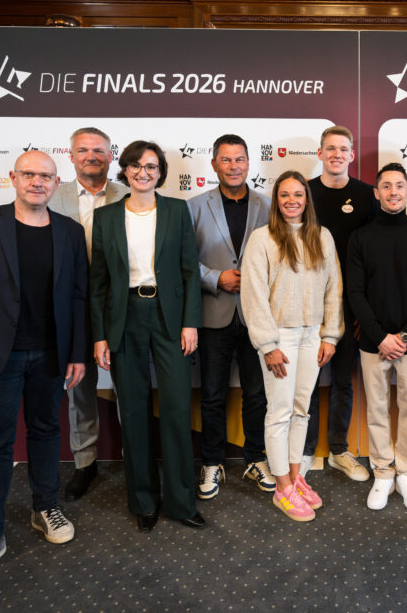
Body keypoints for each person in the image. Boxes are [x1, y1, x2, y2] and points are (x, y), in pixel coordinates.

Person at [0, 150, 86, 594]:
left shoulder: (70, 231)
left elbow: (78, 298)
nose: (37, 182)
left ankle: (45, 507)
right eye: (29, 174)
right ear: (13, 177)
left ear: (56, 182)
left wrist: (77, 353)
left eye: (46, 176)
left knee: (46, 432)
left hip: (51, 356)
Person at [89, 140, 205, 533]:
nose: (144, 172)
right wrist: (100, 336)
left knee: (175, 409)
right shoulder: (106, 217)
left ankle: (180, 502)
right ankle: (143, 501)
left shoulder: (176, 210)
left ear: (160, 173)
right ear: (124, 170)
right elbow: (99, 283)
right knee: (134, 412)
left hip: (170, 317)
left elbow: (190, 271)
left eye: (151, 166)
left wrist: (190, 323)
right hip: (124, 317)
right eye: (136, 165)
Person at [241, 171, 343, 522]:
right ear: (276, 200)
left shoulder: (322, 236)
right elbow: (253, 296)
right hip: (279, 337)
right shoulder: (262, 238)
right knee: (280, 412)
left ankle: (297, 478)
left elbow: (334, 289)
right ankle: (282, 486)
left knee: (302, 410)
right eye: (284, 195)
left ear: (306, 199)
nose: (291, 201)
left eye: (298, 194)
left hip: (312, 335)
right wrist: (267, 345)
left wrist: (330, 336)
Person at [347, 162, 407, 511]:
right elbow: (355, 293)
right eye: (386, 186)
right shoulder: (360, 238)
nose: (393, 192)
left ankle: (406, 471)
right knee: (377, 409)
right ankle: (383, 471)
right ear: (376, 193)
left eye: (399, 185)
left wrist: (403, 336)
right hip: (373, 342)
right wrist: (380, 337)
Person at [187, 134, 274, 499]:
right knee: (212, 394)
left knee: (257, 393)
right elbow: (183, 259)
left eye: (239, 159)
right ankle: (212, 461)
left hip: (257, 316)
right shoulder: (194, 207)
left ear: (248, 163)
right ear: (214, 165)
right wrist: (215, 277)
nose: (234, 166)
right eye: (226, 160)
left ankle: (256, 457)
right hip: (214, 313)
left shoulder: (269, 206)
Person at [48, 126, 127, 502]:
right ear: (71, 155)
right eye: (83, 150)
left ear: (111, 156)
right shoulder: (52, 196)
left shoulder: (130, 194)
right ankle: (85, 462)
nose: (91, 156)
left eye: (99, 150)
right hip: (72, 306)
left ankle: (136, 458)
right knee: (79, 387)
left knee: (130, 386)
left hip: (121, 306)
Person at [302, 125, 375, 482]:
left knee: (343, 381)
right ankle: (303, 451)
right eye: (330, 148)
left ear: (351, 155)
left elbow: (375, 255)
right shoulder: (303, 193)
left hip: (350, 305)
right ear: (320, 153)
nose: (336, 154)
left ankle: (338, 450)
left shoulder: (366, 195)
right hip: (307, 305)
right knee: (307, 382)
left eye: (343, 149)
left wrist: (365, 311)